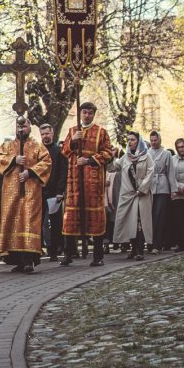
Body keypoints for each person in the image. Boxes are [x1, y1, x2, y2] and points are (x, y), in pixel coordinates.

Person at [0, 115, 52, 272]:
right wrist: (13, 160)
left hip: (31, 192)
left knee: (29, 223)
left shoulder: (38, 146)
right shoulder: (8, 145)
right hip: (11, 192)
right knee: (13, 222)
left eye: (24, 126)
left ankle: (29, 261)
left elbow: (46, 163)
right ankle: (17, 260)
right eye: (19, 126)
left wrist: (30, 172)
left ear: (30, 126)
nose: (21, 129)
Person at [60, 101, 114, 266]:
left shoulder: (101, 132)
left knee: (95, 218)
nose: (87, 115)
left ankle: (98, 256)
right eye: (84, 112)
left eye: (90, 113)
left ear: (93, 114)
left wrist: (90, 159)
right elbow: (65, 152)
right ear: (80, 114)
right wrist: (72, 141)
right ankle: (69, 254)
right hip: (75, 181)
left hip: (93, 183)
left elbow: (108, 152)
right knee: (71, 217)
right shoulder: (72, 131)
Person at [112, 131, 153, 259]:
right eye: (128, 139)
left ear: (138, 141)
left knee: (140, 222)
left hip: (141, 194)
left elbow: (150, 173)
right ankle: (133, 249)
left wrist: (142, 188)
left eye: (133, 139)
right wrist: (109, 157)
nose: (130, 142)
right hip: (128, 195)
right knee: (130, 222)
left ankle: (140, 250)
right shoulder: (125, 157)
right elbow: (112, 167)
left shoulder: (147, 157)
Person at [39, 123, 67, 261]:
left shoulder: (59, 151)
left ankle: (55, 251)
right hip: (39, 191)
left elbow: (63, 172)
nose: (45, 136)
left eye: (47, 133)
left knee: (55, 223)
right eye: (43, 134)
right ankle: (41, 249)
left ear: (52, 133)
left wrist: (60, 191)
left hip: (54, 191)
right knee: (39, 222)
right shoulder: (37, 150)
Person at [147, 130, 173, 253]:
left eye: (155, 140)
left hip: (162, 187)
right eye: (151, 140)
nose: (153, 142)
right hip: (149, 187)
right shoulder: (147, 153)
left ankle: (157, 244)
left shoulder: (166, 153)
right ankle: (150, 242)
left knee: (159, 216)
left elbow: (171, 173)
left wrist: (173, 189)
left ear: (159, 140)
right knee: (149, 216)